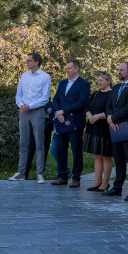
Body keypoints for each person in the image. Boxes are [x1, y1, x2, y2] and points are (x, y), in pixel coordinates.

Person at [10, 52, 51, 184]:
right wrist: (21, 105)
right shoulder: (24, 76)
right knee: (23, 143)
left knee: (39, 144)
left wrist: (30, 106)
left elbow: (45, 98)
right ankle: (21, 172)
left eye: (29, 60)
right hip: (23, 112)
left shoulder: (45, 77)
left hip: (37, 112)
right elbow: (18, 94)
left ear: (36, 62)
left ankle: (40, 173)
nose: (26, 62)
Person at [104, 61, 128, 202]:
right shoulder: (116, 87)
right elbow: (109, 105)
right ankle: (117, 188)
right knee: (119, 160)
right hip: (116, 128)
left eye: (121, 70)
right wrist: (110, 119)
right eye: (118, 69)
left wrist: (113, 118)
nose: (118, 72)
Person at [51, 58, 90, 187]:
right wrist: (58, 113)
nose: (67, 70)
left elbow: (82, 102)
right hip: (61, 120)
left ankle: (76, 177)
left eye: (69, 68)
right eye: (66, 68)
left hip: (76, 122)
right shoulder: (62, 83)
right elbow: (55, 99)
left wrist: (64, 111)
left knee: (76, 150)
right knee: (60, 149)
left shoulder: (84, 84)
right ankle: (62, 175)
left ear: (76, 69)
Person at [84, 71, 114, 192]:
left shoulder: (112, 94)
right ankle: (97, 182)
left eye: (101, 80)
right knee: (96, 155)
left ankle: (105, 183)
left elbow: (113, 110)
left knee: (106, 156)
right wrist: (89, 115)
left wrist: (99, 116)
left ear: (108, 81)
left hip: (105, 129)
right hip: (93, 128)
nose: (98, 82)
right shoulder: (95, 93)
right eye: (98, 80)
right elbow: (86, 106)